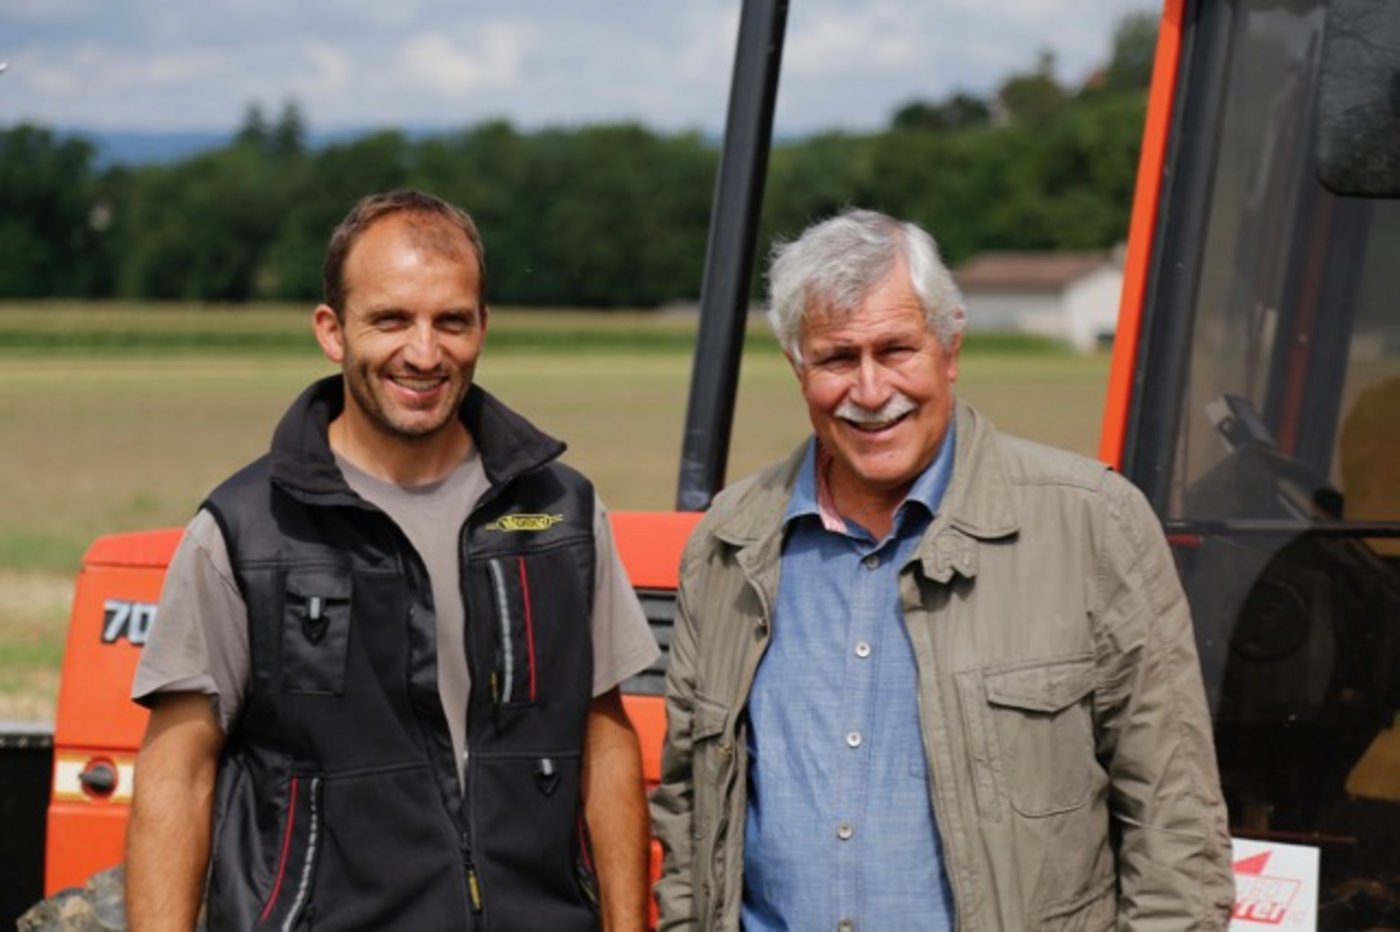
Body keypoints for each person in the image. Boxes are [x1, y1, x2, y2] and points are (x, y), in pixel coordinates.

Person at [651, 209, 1235, 930]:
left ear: (950, 349)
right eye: (837, 358)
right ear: (799, 370)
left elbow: (1174, 822)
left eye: (897, 350)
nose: (869, 391)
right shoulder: (728, 545)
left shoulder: (1095, 525)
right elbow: (688, 811)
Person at [126, 190, 658, 931]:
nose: (424, 352)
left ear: (482, 326)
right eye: (390, 319)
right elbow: (175, 777)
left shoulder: (562, 514)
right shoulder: (243, 532)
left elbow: (604, 738)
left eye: (451, 321)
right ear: (332, 330)